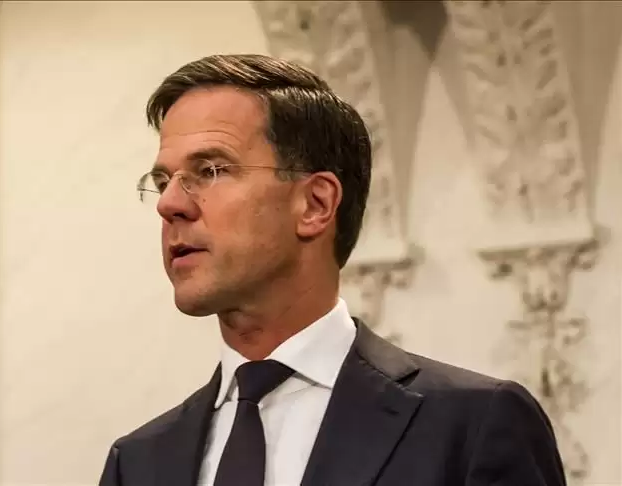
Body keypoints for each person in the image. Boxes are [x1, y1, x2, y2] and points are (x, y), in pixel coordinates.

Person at [98, 54, 566, 486]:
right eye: (163, 181)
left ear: (315, 204)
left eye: (211, 170)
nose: (170, 204)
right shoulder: (137, 463)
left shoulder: (472, 426)